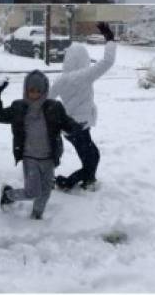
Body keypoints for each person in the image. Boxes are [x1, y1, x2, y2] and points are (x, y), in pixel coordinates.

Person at [0, 70, 81, 220]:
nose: (35, 94)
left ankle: (36, 216)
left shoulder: (54, 107)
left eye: (39, 90)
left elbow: (67, 122)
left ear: (44, 91)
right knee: (32, 192)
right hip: (29, 158)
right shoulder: (19, 108)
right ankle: (8, 195)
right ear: (26, 90)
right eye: (31, 90)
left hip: (49, 158)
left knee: (45, 192)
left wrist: (76, 127)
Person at [49, 22, 117, 190]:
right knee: (92, 158)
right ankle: (67, 182)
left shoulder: (61, 79)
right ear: (83, 59)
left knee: (91, 157)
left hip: (70, 128)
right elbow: (108, 61)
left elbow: (46, 100)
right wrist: (109, 38)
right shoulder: (83, 75)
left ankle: (86, 181)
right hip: (78, 126)